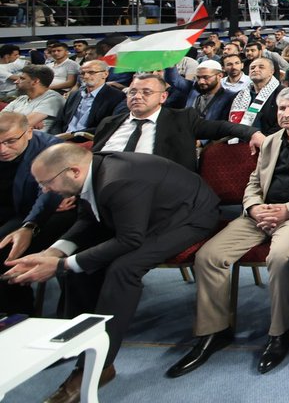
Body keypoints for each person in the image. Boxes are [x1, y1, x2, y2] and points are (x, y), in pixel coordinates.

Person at [3, 145, 219, 403]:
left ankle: (100, 367)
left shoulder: (117, 180)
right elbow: (87, 220)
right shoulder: (90, 171)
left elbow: (130, 241)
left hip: (189, 215)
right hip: (148, 213)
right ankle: (76, 343)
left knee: (123, 268)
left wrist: (61, 265)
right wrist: (54, 254)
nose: (45, 190)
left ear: (73, 171)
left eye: (47, 183)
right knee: (79, 264)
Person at [167, 87, 289, 377]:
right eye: (281, 109)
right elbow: (254, 181)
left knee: (278, 258)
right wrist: (253, 207)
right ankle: (214, 331)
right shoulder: (271, 140)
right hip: (260, 213)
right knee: (209, 256)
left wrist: (287, 210)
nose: (286, 114)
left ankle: (279, 333)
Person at [90, 74, 262, 172]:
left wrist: (253, 133)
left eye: (146, 92)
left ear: (163, 97)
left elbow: (221, 127)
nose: (137, 96)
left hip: (157, 189)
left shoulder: (182, 119)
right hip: (101, 188)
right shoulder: (109, 123)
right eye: (132, 92)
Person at [0, 112, 76, 316]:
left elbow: (46, 196)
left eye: (10, 141)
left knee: (6, 251)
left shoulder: (51, 150)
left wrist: (29, 227)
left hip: (35, 212)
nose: (2, 149)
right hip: (10, 206)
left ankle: (18, 315)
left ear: (30, 132)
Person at [59, 61, 125, 135]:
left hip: (88, 139)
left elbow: (107, 127)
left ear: (105, 74)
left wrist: (73, 135)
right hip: (63, 136)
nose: (86, 76)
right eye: (83, 73)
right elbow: (61, 120)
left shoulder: (116, 96)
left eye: (91, 72)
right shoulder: (74, 95)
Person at [227, 56, 281, 135]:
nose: (255, 70)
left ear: (271, 72)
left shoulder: (282, 93)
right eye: (252, 68)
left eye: (261, 67)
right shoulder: (239, 95)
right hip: (239, 138)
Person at [7, 65, 65, 133]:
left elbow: (20, 126)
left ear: (35, 82)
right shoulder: (22, 98)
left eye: (22, 78)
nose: (16, 81)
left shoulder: (53, 99)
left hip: (35, 141)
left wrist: (12, 119)